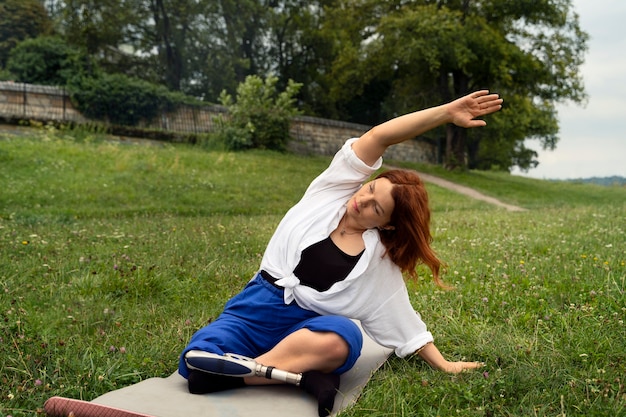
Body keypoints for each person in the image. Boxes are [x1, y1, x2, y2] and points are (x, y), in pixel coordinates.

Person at [178, 90, 503, 416]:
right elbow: (379, 136)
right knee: (194, 358)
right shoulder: (331, 191)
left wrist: (444, 364)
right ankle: (301, 377)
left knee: (344, 338)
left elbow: (403, 319)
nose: (362, 200)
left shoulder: (376, 261)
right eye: (371, 188)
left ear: (388, 225)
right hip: (253, 310)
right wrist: (447, 112)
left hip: (304, 328)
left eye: (375, 208)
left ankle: (236, 374)